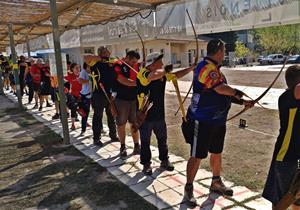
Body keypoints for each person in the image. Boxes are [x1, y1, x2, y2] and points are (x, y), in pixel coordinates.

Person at [182, 39, 254, 207]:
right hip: (203, 120)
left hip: (218, 120)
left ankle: (216, 182)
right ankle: (188, 188)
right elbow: (220, 88)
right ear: (218, 51)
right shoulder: (205, 68)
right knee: (197, 155)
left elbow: (223, 93)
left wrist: (242, 102)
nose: (224, 54)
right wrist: (237, 92)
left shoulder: (215, 70)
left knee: (217, 151)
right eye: (224, 50)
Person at [137, 52, 195, 176]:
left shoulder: (161, 74)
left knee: (162, 139)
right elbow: (151, 76)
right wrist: (165, 70)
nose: (162, 64)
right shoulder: (143, 73)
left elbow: (175, 75)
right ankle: (146, 164)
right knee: (145, 141)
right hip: (145, 114)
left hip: (159, 113)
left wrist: (190, 68)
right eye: (160, 62)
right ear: (153, 63)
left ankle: (164, 160)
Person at [262, 65, 300, 210]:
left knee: (297, 200)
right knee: (281, 201)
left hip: (295, 157)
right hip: (286, 157)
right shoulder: (287, 97)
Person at [113, 50, 141, 157]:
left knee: (134, 123)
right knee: (121, 124)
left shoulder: (136, 66)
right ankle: (123, 146)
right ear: (127, 57)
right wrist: (138, 83)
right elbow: (121, 79)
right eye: (132, 61)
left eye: (135, 62)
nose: (134, 64)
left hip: (134, 99)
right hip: (121, 100)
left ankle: (137, 145)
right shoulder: (118, 65)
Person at [90, 47, 119, 146]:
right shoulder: (94, 63)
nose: (109, 53)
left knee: (111, 115)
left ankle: (113, 135)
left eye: (108, 52)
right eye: (106, 52)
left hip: (110, 93)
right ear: (101, 53)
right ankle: (96, 138)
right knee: (98, 116)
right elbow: (86, 58)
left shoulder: (111, 63)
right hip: (99, 93)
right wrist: (101, 58)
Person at [64, 63, 82, 130]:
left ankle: (84, 122)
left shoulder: (82, 75)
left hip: (82, 95)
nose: (78, 69)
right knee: (73, 109)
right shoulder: (70, 75)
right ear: (72, 69)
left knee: (83, 109)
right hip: (74, 95)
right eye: (76, 68)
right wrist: (68, 71)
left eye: (79, 68)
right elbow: (63, 75)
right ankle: (73, 124)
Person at [78, 62, 92, 135]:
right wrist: (90, 80)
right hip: (85, 95)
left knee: (97, 112)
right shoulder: (83, 72)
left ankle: (100, 128)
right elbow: (80, 81)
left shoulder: (93, 71)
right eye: (90, 64)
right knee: (85, 113)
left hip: (93, 95)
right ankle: (83, 130)